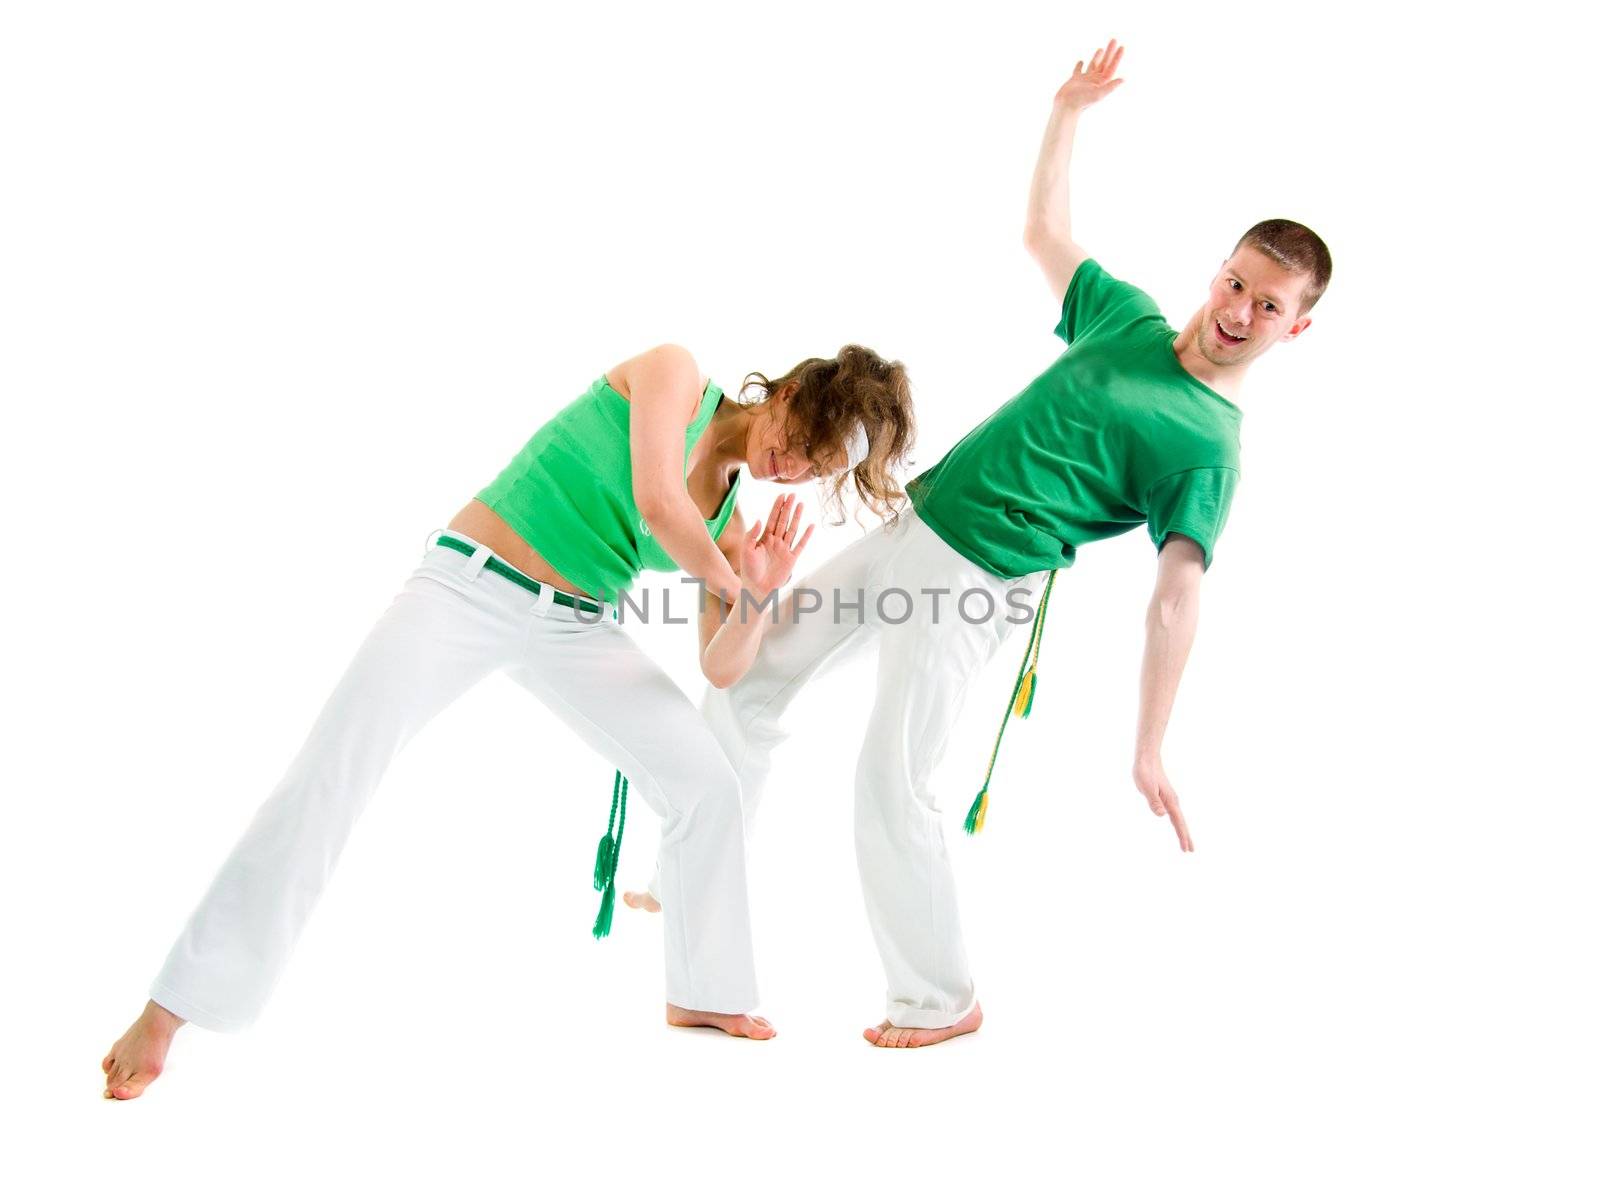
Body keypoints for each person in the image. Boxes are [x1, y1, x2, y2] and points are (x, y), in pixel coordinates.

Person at [625, 39, 1333, 1048]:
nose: (1239, 312)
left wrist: (1148, 743)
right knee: (747, 678)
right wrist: (1067, 112)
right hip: (912, 527)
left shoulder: (1207, 445)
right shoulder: (1124, 319)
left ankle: (939, 998)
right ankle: (685, 863)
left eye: (1268, 307)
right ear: (1217, 272)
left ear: (1292, 330)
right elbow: (1044, 230)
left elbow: (1175, 594)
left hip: (976, 583)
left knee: (889, 780)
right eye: (1236, 284)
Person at [101, 342, 916, 1099]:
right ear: (787, 391)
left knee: (706, 781)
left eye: (814, 465)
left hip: (574, 623)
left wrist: (759, 591)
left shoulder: (735, 529)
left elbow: (721, 665)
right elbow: (659, 500)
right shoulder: (674, 373)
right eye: (801, 434)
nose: (792, 463)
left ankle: (706, 993)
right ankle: (173, 1006)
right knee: (335, 768)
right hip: (467, 586)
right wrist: (735, 582)